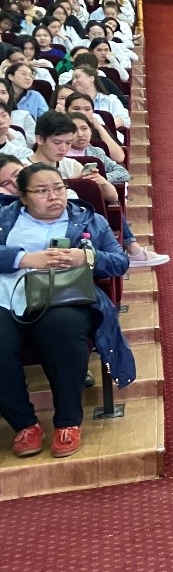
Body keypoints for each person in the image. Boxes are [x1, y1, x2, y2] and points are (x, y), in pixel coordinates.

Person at [0, 162, 130, 460]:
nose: (53, 197)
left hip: (64, 296)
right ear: (23, 196)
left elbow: (119, 262)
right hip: (6, 297)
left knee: (63, 328)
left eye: (58, 188)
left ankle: (68, 422)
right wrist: (23, 259)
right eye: (41, 191)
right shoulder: (4, 217)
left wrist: (86, 257)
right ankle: (25, 424)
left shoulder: (89, 219)